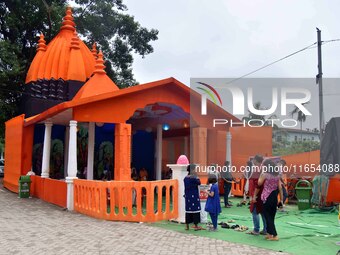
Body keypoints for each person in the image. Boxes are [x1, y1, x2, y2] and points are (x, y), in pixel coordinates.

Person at [256, 159, 283, 241]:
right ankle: (269, 233)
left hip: (267, 197)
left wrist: (261, 175)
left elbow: (259, 183)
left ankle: (275, 235)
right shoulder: (277, 175)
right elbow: (280, 188)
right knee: (271, 216)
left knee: (267, 216)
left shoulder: (265, 174)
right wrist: (281, 200)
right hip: (274, 196)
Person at [247, 154, 267, 236]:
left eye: (254, 159)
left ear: (256, 160)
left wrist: (254, 195)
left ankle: (256, 229)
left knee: (255, 212)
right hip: (263, 194)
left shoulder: (257, 170)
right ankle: (266, 229)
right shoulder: (263, 169)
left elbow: (257, 185)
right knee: (262, 212)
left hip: (257, 194)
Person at [184, 164, 202, 231]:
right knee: (195, 210)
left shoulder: (185, 178)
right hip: (194, 195)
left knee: (188, 210)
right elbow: (199, 182)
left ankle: (187, 225)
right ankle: (196, 225)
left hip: (188, 196)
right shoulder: (194, 177)